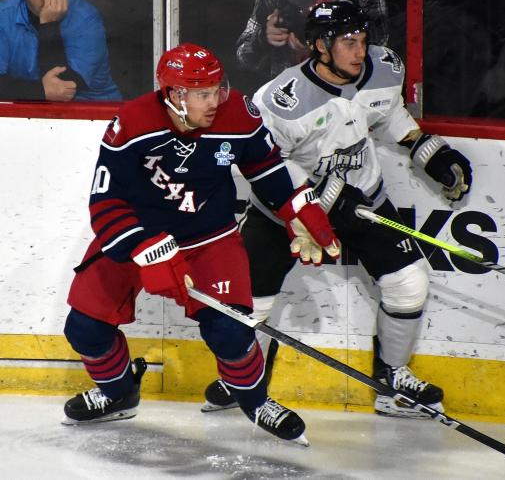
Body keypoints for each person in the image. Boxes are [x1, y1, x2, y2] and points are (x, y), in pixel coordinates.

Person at [202, 1, 472, 418]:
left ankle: (393, 382)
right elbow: (265, 162)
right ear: (320, 46)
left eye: (363, 40)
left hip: (362, 199)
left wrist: (425, 150)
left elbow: (388, 114)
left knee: (410, 283)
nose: (360, 50)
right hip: (284, 213)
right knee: (251, 302)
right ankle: (241, 380)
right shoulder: (281, 99)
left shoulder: (383, 68)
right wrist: (321, 193)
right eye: (348, 42)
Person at [61, 42, 340, 445]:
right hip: (140, 234)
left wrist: (299, 208)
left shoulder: (237, 115)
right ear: (175, 95)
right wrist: (141, 248)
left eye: (218, 89)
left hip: (208, 237)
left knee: (230, 331)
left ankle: (256, 400)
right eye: (203, 93)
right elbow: (105, 202)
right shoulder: (132, 124)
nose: (216, 100)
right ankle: (118, 391)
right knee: (84, 327)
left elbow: (265, 168)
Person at [236, 0, 388, 81]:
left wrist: (330, 45)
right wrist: (264, 37)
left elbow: (380, 50)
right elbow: (243, 57)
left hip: (345, 98)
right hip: (291, 99)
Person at [0, 0, 120, 101]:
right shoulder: (4, 16)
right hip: (31, 111)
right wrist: (40, 91)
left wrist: (49, 25)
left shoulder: (86, 18)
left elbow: (64, 86)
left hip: (91, 110)